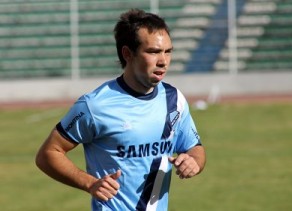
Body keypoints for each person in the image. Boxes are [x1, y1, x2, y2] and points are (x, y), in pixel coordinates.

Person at [35, 8, 206, 211]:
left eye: (168, 51)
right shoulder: (95, 106)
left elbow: (194, 147)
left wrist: (194, 161)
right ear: (127, 54)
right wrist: (89, 183)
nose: (163, 61)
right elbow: (48, 154)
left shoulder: (174, 99)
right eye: (153, 52)